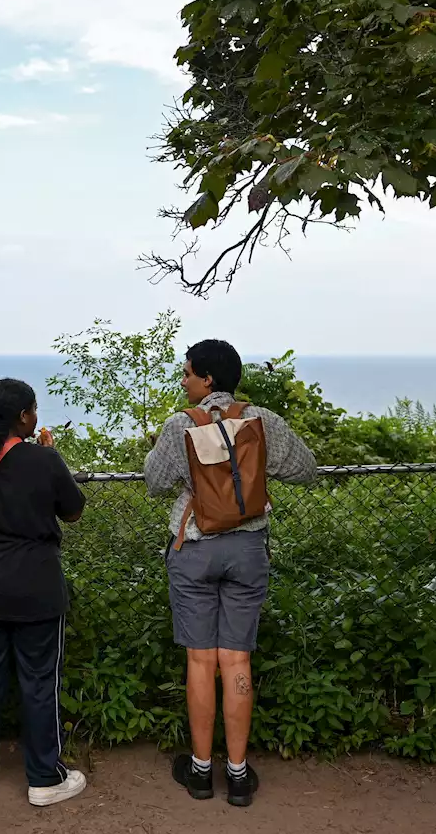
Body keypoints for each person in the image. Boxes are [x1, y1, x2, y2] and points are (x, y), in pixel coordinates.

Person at [144, 340, 317, 807]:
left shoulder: (182, 424)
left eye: (187, 373)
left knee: (200, 662)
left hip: (195, 550)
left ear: (207, 381)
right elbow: (306, 470)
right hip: (247, 547)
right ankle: (238, 775)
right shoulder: (263, 421)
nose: (183, 381)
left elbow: (156, 483)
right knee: (236, 661)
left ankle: (201, 772)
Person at [0, 378, 88, 808]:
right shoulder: (44, 460)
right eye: (34, 409)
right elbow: (74, 510)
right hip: (36, 587)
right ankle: (44, 778)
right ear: (25, 417)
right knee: (40, 680)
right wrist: (50, 455)